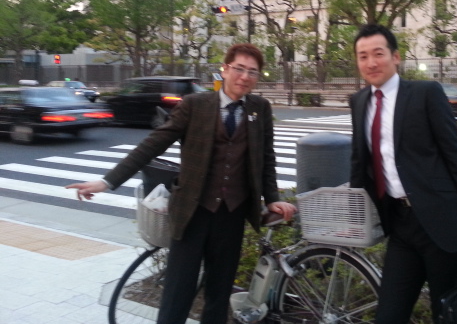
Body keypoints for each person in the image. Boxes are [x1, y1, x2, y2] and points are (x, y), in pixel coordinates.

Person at [66, 43, 296, 324]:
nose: (245, 76)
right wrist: (107, 181)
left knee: (219, 292)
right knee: (178, 291)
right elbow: (153, 144)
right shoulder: (195, 105)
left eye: (252, 72)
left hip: (232, 214)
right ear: (225, 69)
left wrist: (272, 198)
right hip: (192, 212)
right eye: (239, 69)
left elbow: (266, 157)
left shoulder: (260, 108)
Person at [349, 24, 457, 323]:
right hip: (400, 225)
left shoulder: (425, 93)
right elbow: (360, 164)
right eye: (363, 56)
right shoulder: (358, 102)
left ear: (396, 57)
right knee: (389, 314)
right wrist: (353, 217)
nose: (371, 62)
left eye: (378, 54)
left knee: (448, 315)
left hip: (442, 223)